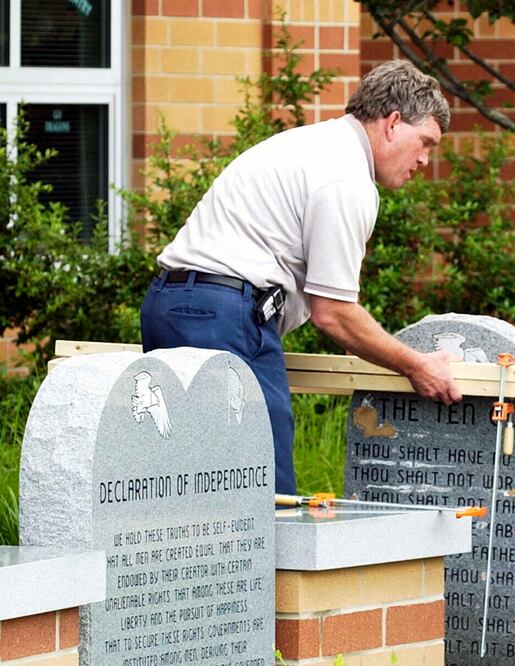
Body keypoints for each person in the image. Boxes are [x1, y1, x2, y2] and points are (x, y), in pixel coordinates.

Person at [140, 60, 463, 496]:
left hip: (172, 302)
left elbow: (344, 324)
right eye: (426, 142)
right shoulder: (347, 180)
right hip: (224, 317)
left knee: (190, 493)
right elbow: (334, 315)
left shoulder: (316, 145)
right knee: (265, 494)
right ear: (392, 123)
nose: (425, 159)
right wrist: (419, 366)